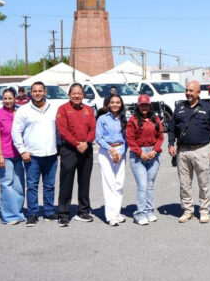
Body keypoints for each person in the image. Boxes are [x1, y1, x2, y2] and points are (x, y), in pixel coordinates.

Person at [168, 80, 210, 223]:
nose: (188, 93)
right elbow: (171, 127)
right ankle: (188, 210)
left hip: (202, 150)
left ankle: (204, 210)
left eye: (191, 91)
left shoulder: (208, 108)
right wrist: (171, 144)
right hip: (183, 151)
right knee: (184, 184)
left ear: (198, 93)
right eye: (186, 90)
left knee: (203, 183)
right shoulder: (179, 107)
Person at [11, 81, 59, 227]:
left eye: (40, 91)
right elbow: (15, 132)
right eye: (34, 91)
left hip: (51, 154)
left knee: (49, 185)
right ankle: (32, 213)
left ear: (45, 92)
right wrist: (22, 150)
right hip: (32, 155)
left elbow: (60, 129)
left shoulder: (54, 108)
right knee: (32, 186)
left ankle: (49, 212)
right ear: (30, 93)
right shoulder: (23, 110)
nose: (37, 93)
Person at [56, 83, 96, 226]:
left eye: (79, 93)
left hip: (86, 149)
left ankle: (83, 211)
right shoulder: (63, 109)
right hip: (70, 150)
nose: (77, 96)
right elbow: (63, 130)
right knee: (66, 182)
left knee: (84, 182)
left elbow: (93, 128)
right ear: (69, 94)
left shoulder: (88, 110)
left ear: (83, 95)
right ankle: (63, 213)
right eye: (74, 93)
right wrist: (76, 143)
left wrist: (87, 142)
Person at [126, 94, 164, 225]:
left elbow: (160, 136)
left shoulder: (155, 119)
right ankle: (140, 213)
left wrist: (155, 150)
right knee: (142, 186)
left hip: (153, 153)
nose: (144, 107)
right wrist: (140, 152)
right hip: (138, 156)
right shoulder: (133, 120)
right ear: (138, 105)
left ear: (150, 105)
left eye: (146, 105)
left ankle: (149, 210)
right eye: (141, 105)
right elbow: (130, 139)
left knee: (149, 185)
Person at [0, 88, 25, 225]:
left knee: (19, 186)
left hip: (19, 155)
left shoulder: (21, 112)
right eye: (5, 98)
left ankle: (18, 212)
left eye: (10, 98)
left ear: (15, 98)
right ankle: (9, 216)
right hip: (4, 154)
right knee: (6, 185)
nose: (8, 101)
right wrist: (0, 155)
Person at [96, 94, 127, 226]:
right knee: (109, 183)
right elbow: (99, 138)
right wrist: (111, 150)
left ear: (121, 104)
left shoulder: (124, 118)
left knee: (119, 183)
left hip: (120, 152)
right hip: (106, 152)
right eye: (112, 102)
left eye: (118, 102)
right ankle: (110, 216)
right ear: (108, 104)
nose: (115, 104)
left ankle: (117, 212)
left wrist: (120, 152)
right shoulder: (102, 119)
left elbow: (127, 138)